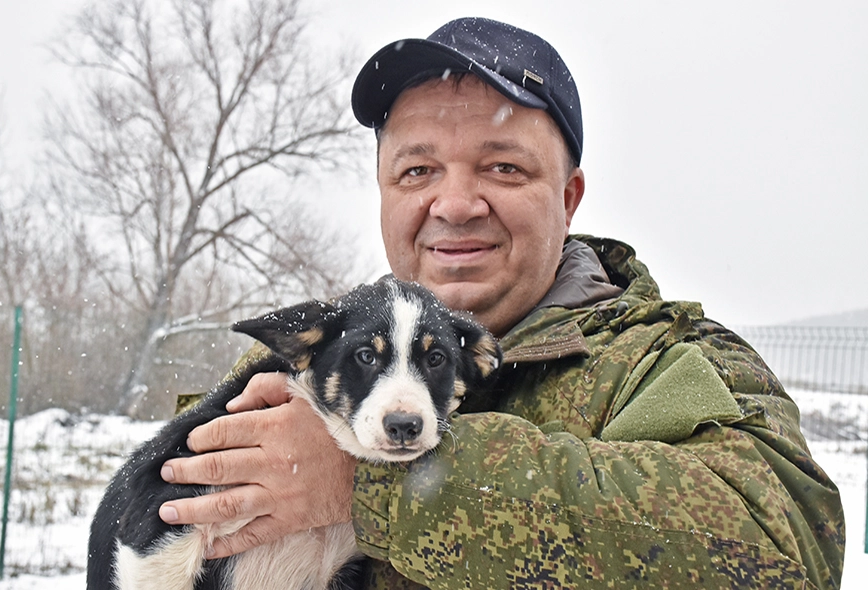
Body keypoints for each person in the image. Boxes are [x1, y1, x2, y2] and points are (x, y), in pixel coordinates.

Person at [156, 17, 845, 588]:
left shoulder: (664, 363)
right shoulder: (310, 359)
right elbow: (163, 527)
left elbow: (778, 550)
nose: (454, 204)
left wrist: (367, 480)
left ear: (568, 197)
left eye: (502, 167)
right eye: (418, 170)